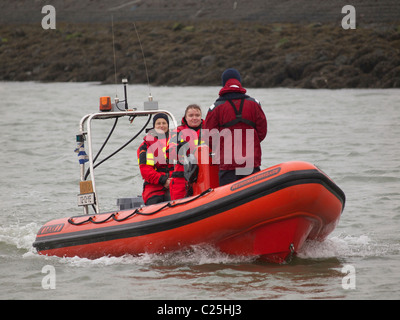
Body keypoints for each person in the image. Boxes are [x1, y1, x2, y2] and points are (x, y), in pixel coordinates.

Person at [204, 68, 267, 186]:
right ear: (239, 81)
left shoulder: (216, 107)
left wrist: (222, 147)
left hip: (227, 163)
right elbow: (262, 131)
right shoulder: (254, 104)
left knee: (228, 197)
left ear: (224, 83)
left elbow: (209, 137)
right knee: (253, 195)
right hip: (250, 160)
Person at [168, 104, 204, 200]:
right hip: (182, 178)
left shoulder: (208, 130)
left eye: (197, 115)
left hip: (204, 176)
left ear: (201, 117)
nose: (194, 118)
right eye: (191, 115)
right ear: (186, 117)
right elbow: (170, 153)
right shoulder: (178, 131)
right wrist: (179, 149)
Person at [137, 113, 173, 205]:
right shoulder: (145, 146)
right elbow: (145, 170)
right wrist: (163, 180)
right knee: (154, 204)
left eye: (164, 123)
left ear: (168, 125)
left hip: (175, 183)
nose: (161, 125)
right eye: (158, 123)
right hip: (154, 187)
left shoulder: (176, 142)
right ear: (154, 126)